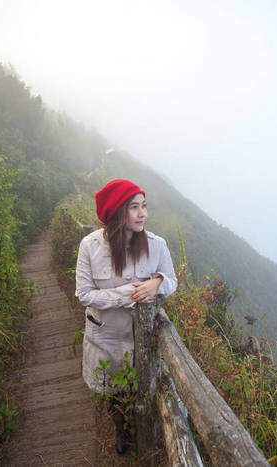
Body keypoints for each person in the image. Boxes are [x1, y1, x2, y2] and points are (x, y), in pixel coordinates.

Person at [74, 179, 177, 454]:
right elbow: (84, 294)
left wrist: (156, 283)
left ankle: (143, 433)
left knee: (139, 388)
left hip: (140, 336)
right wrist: (128, 294)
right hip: (105, 333)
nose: (142, 213)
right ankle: (121, 430)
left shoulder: (157, 245)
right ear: (118, 212)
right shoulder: (90, 246)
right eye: (134, 207)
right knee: (112, 389)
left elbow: (172, 281)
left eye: (144, 206)